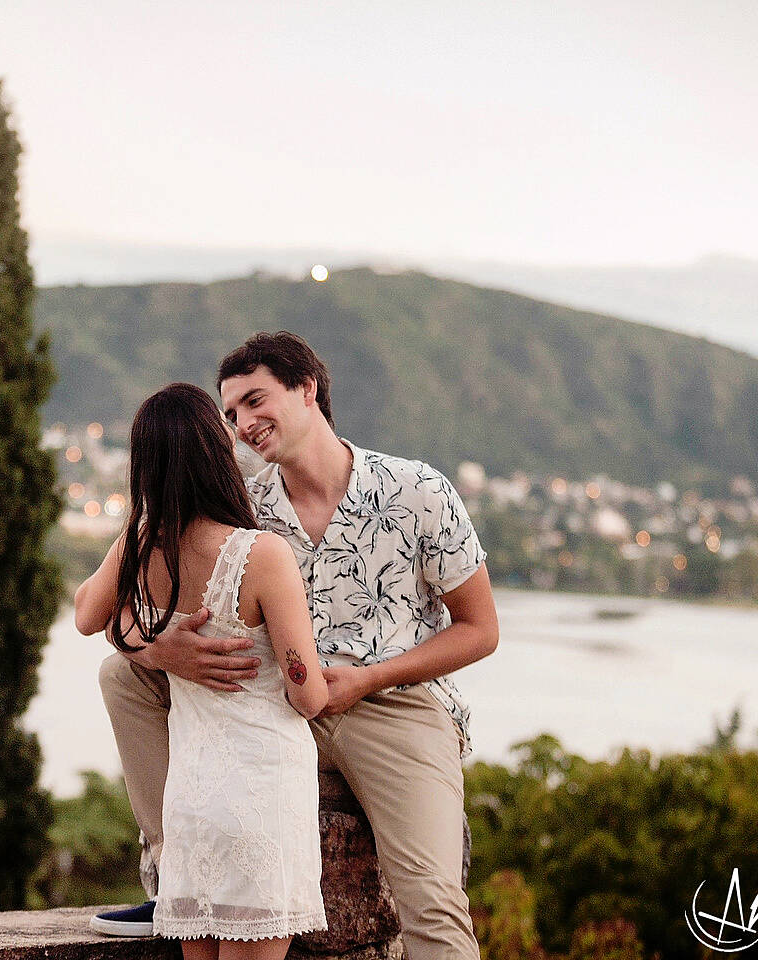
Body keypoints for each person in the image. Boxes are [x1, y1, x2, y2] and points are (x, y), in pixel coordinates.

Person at [93, 332, 499, 960]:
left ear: (308, 388)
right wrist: (157, 651)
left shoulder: (415, 489)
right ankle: (175, 871)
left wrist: (368, 679)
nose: (244, 424)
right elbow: (115, 601)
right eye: (230, 414)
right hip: (274, 707)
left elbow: (481, 629)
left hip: (394, 705)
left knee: (433, 901)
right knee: (121, 676)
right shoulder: (240, 507)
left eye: (256, 401)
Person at [74, 382, 329, 960]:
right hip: (261, 795)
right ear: (217, 452)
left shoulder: (142, 544)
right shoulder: (262, 555)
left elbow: (87, 613)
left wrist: (148, 642)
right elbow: (307, 694)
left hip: (190, 806)